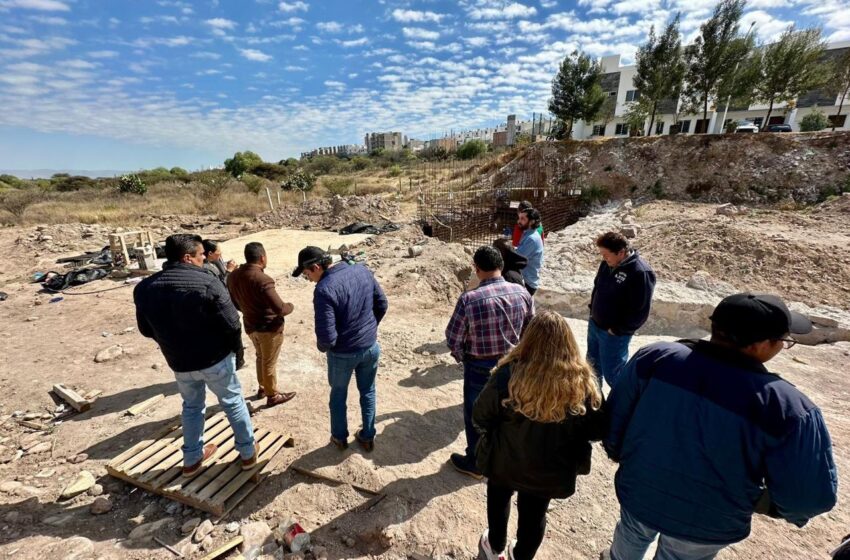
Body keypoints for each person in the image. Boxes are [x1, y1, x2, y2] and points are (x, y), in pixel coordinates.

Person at [602, 293, 837, 560]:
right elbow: (806, 498)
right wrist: (762, 502)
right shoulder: (788, 408)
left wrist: (620, 454)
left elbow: (614, 418)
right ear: (761, 345)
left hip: (639, 492)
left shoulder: (656, 358)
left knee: (628, 540)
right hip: (706, 520)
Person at [473, 311, 605, 560]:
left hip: (505, 462)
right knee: (535, 514)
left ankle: (495, 546)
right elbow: (597, 430)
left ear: (528, 339)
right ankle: (520, 555)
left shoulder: (508, 375)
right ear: (569, 342)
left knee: (499, 497)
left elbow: (480, 415)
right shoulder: (583, 383)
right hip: (550, 470)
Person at [134, 234, 258, 477]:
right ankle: (247, 453)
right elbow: (232, 323)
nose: (205, 258)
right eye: (202, 255)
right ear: (188, 257)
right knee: (233, 403)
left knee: (191, 407)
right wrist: (238, 354)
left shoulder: (144, 288)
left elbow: (145, 329)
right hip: (215, 359)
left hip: (180, 363)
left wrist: (172, 342)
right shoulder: (208, 283)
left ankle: (191, 460)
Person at [445, 245, 534, 479]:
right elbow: (531, 331)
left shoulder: (469, 299)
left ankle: (476, 462)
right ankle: (508, 456)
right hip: (513, 365)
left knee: (477, 415)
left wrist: (462, 357)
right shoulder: (522, 293)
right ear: (501, 266)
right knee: (510, 412)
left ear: (476, 269)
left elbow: (453, 338)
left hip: (479, 367)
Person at [294, 246, 388, 451]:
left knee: (338, 395)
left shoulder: (323, 289)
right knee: (368, 391)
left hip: (342, 354)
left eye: (307, 274)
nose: (308, 278)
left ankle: (339, 437)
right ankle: (368, 435)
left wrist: (324, 347)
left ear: (317, 267)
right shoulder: (362, 270)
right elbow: (382, 303)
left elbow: (326, 337)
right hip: (370, 347)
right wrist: (369, 330)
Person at [228, 242, 296, 408]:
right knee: (269, 362)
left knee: (261, 357)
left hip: (251, 326)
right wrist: (290, 306)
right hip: (269, 328)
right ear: (262, 257)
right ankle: (272, 395)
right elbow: (280, 308)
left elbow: (235, 302)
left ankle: (263, 388)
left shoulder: (233, 276)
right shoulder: (262, 279)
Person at [587, 232, 655, 389]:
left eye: (606, 255)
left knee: (614, 374)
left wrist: (617, 330)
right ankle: (595, 404)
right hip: (595, 326)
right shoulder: (607, 264)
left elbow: (640, 311)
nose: (603, 259)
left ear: (621, 252)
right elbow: (597, 287)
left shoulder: (640, 272)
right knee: (591, 369)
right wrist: (592, 311)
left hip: (614, 335)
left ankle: (620, 407)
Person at [203, 239, 245, 370]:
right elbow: (220, 285)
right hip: (221, 305)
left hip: (226, 301)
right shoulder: (206, 269)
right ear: (210, 253)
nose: (220, 255)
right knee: (233, 330)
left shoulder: (214, 262)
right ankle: (238, 362)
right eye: (218, 252)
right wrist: (229, 271)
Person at [515, 208, 544, 296]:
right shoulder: (528, 234)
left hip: (527, 283)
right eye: (519, 218)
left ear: (531, 222)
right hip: (525, 279)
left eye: (523, 219)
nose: (519, 221)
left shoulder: (532, 238)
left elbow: (517, 258)